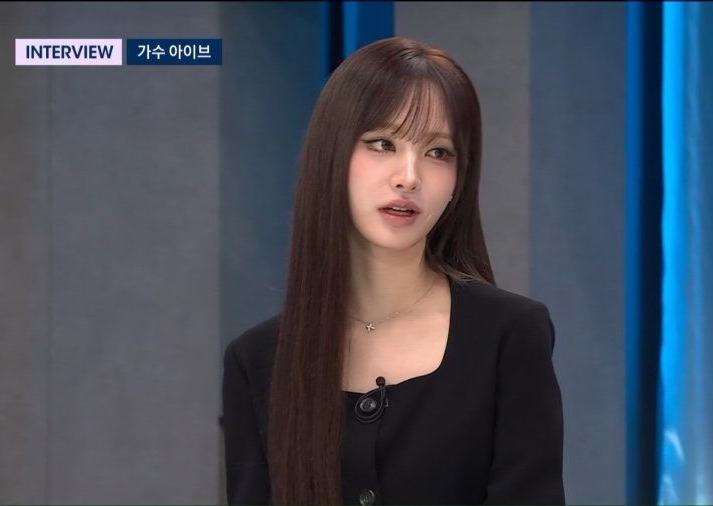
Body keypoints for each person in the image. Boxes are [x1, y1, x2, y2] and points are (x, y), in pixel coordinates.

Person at [221, 36, 565, 505]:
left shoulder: (508, 335)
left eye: (438, 152)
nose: (409, 177)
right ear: (331, 155)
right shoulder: (257, 361)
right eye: (382, 143)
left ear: (459, 179)